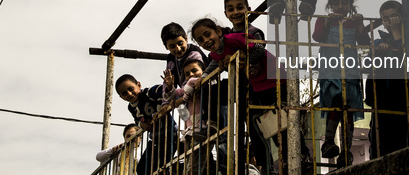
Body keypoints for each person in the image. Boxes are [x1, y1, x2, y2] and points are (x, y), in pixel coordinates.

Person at [191, 18, 286, 175]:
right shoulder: (215, 54)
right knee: (256, 126)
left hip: (273, 79)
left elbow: (259, 49)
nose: (206, 40)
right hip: (256, 86)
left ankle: (297, 156)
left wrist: (239, 56)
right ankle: (267, 167)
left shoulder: (234, 39)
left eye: (208, 35)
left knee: (278, 122)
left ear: (218, 31)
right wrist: (204, 77)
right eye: (200, 40)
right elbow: (213, 64)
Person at [312, 0, 369, 169]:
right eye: (336, 3)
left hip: (350, 70)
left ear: (351, 4)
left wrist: (360, 24)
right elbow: (317, 36)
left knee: (349, 109)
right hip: (331, 68)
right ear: (330, 5)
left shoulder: (353, 22)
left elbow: (363, 42)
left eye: (344, 3)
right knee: (335, 100)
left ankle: (347, 152)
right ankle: (328, 142)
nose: (340, 7)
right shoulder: (324, 19)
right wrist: (329, 22)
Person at [364, 0, 408, 158]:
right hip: (382, 101)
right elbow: (367, 64)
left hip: (402, 100)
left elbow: (406, 61)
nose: (391, 22)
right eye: (386, 19)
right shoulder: (378, 41)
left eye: (394, 16)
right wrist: (377, 52)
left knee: (402, 143)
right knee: (379, 144)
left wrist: (397, 34)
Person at [115, 74, 177, 175]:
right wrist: (141, 125)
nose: (129, 94)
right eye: (124, 93)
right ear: (121, 97)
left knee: (160, 165)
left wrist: (159, 109)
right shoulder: (131, 107)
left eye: (131, 89)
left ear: (138, 85)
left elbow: (162, 91)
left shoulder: (148, 93)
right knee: (141, 169)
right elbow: (137, 120)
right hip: (155, 139)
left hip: (169, 133)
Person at [161, 22, 210, 92]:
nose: (178, 49)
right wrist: (166, 101)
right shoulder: (171, 58)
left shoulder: (194, 52)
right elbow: (169, 81)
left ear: (186, 38)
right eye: (172, 46)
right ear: (166, 47)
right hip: (187, 93)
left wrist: (181, 98)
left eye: (180, 43)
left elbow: (193, 80)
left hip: (205, 91)